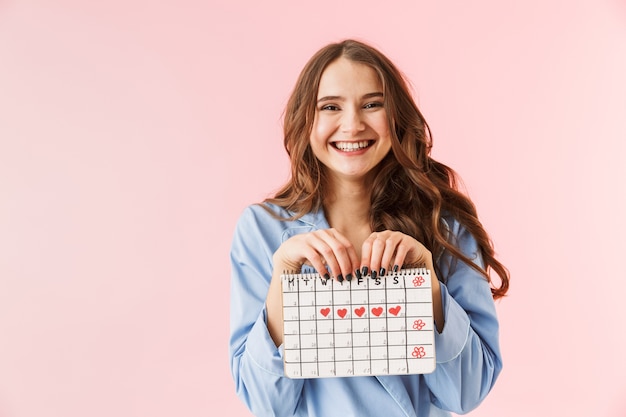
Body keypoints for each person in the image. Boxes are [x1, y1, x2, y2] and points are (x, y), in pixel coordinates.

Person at [229, 39, 510, 417]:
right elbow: (265, 404)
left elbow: (467, 393)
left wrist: (426, 283)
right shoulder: (261, 230)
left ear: (396, 117)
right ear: (305, 120)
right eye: (330, 107)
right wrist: (283, 277)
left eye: (372, 104)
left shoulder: (445, 225)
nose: (352, 125)